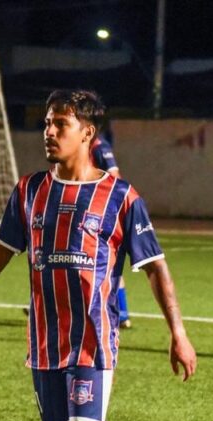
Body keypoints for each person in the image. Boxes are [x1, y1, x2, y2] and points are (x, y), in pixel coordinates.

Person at [0, 88, 196, 421]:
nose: (49, 131)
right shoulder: (29, 190)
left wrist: (179, 333)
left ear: (88, 133)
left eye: (60, 124)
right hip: (45, 340)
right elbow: (3, 248)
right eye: (47, 123)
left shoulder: (121, 197)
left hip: (93, 341)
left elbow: (155, 267)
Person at [90, 130, 131, 328]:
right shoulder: (86, 147)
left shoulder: (99, 146)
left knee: (105, 262)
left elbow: (115, 176)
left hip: (103, 213)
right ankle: (122, 314)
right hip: (95, 211)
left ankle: (121, 313)